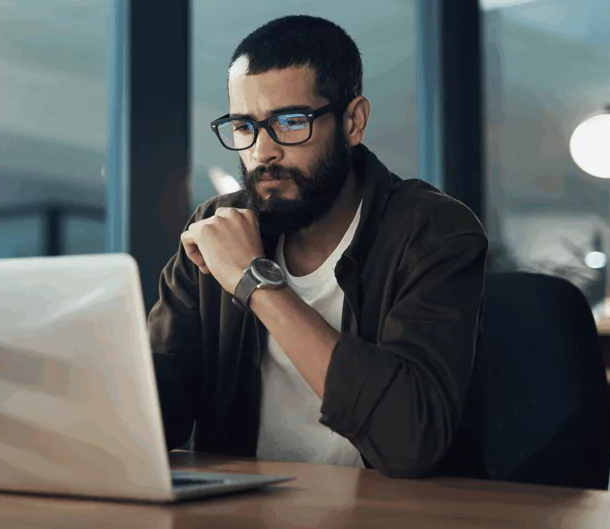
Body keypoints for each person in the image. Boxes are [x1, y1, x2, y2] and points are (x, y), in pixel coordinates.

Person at [148, 14, 488, 479]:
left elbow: (409, 440)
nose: (262, 152)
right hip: (242, 506)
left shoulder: (432, 232)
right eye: (244, 126)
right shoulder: (218, 229)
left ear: (353, 122)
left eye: (290, 122)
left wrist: (255, 282)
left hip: (389, 509)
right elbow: (154, 414)